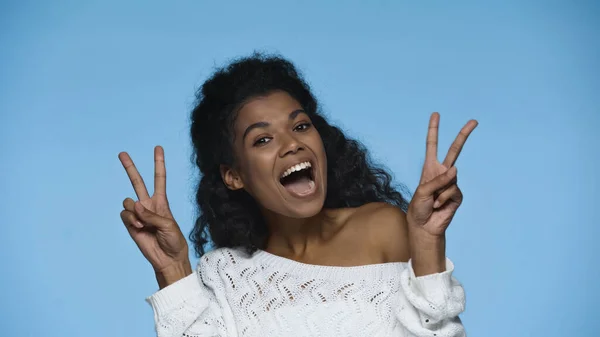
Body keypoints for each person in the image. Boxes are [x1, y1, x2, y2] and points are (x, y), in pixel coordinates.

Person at [118, 53, 477, 337]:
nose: (292, 144)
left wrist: (428, 243)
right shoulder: (226, 271)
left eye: (301, 125)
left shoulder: (382, 228)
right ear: (234, 176)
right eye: (262, 139)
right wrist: (173, 269)